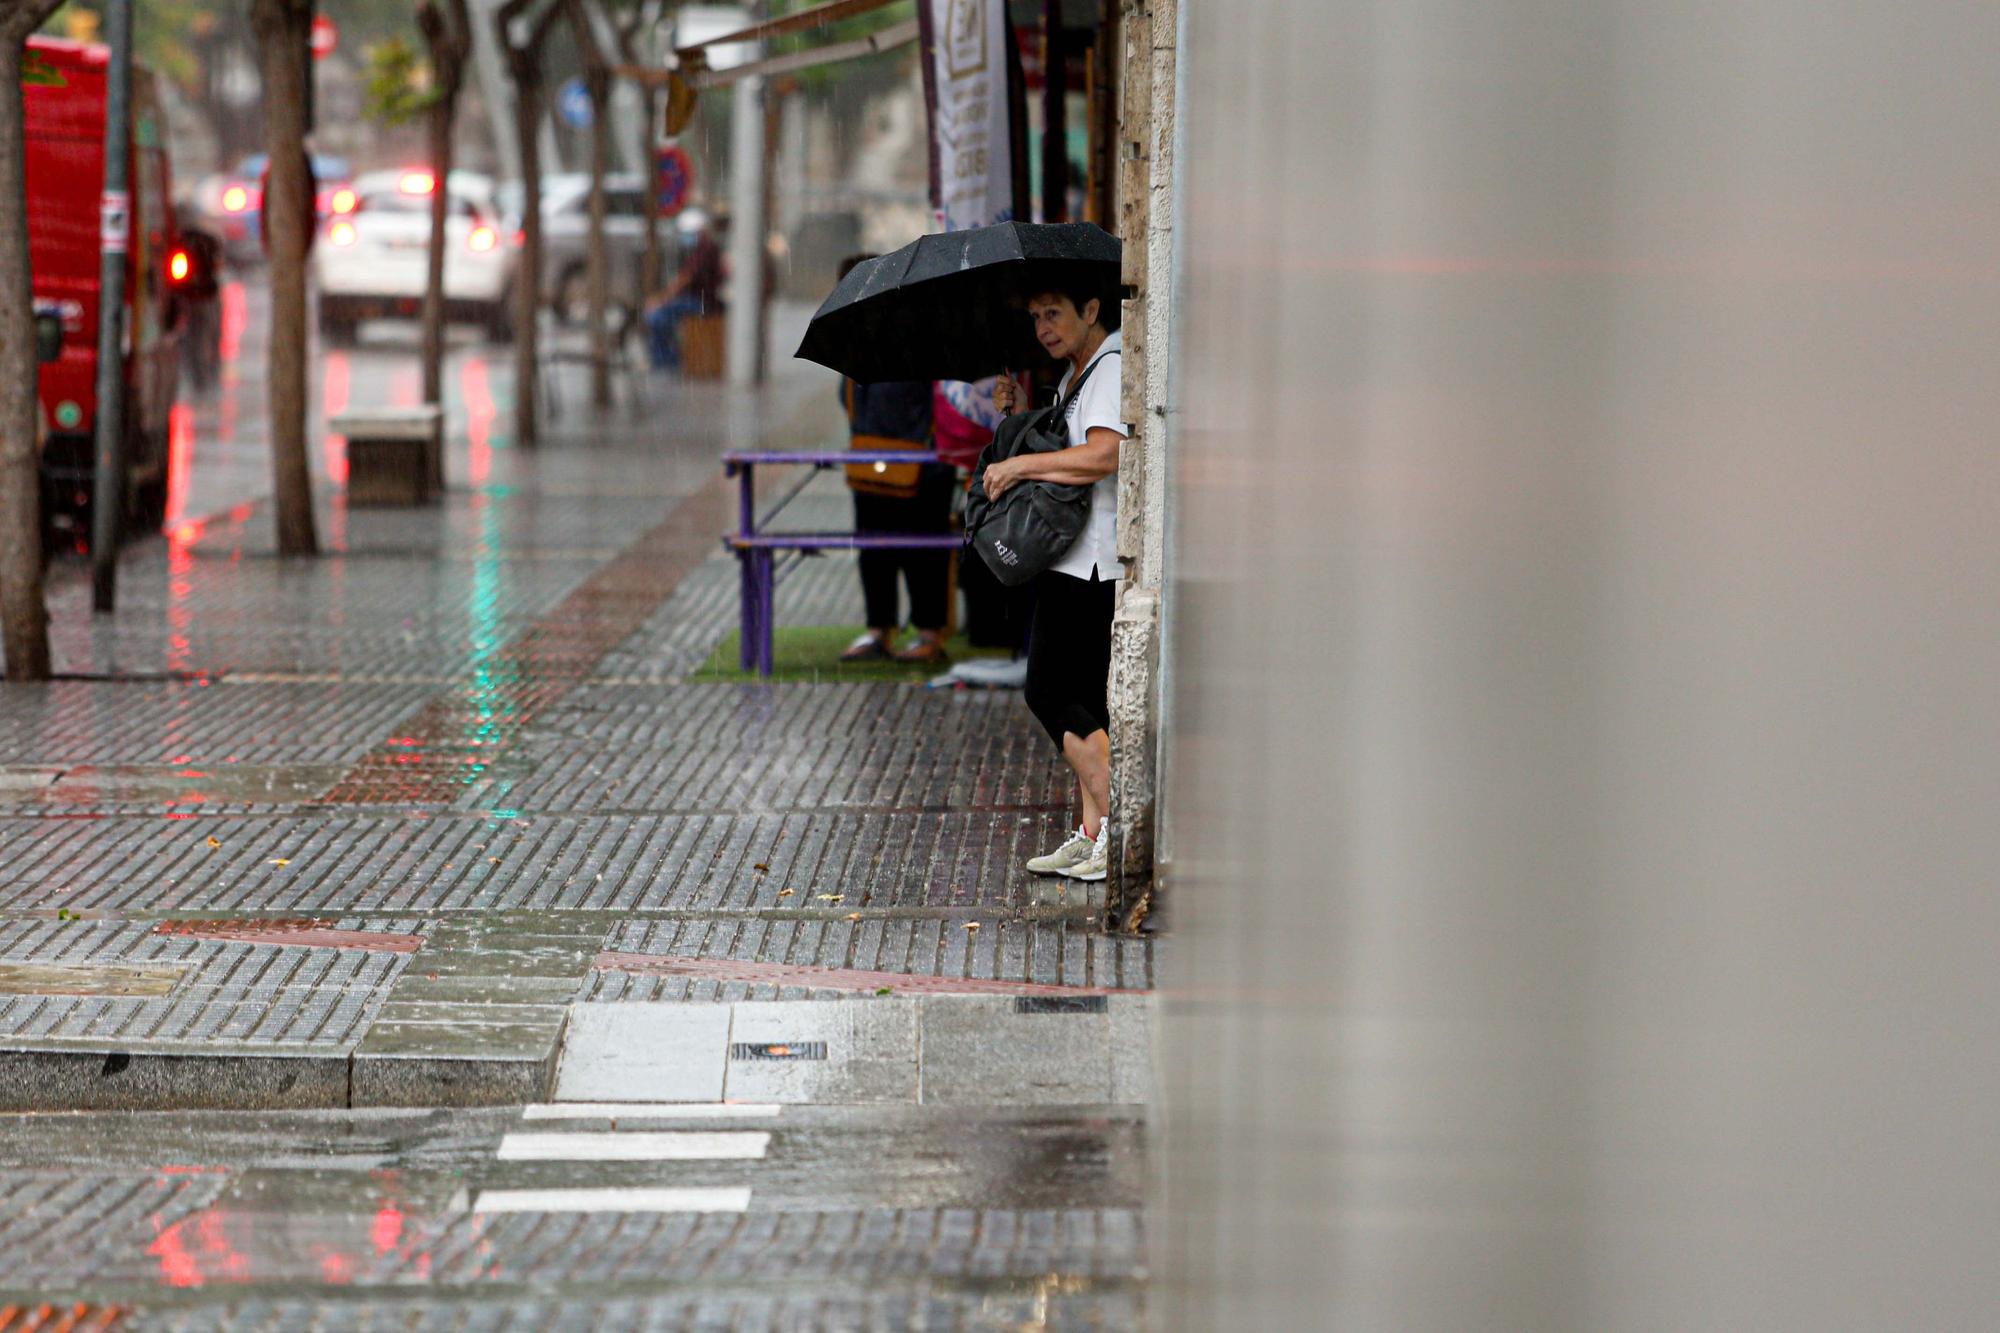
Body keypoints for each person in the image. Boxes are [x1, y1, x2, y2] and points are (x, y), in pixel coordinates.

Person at [981, 283, 1125, 882]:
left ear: (1091, 310)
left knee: (1047, 690)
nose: (1043, 327)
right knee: (1087, 705)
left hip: (1094, 559)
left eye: (1055, 313)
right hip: (1069, 556)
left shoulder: (1111, 366)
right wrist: (1017, 421)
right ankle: (1093, 834)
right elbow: (1066, 454)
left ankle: (1119, 827)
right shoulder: (1077, 375)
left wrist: (1018, 464)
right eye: (1036, 316)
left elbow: (1103, 455)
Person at [837, 254, 953, 664]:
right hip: (872, 462)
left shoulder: (913, 335)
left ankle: (928, 632)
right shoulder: (858, 342)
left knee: (922, 550)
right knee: (875, 548)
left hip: (922, 465)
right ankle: (879, 629)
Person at [644, 213, 725, 371]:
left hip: (701, 302)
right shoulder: (699, 249)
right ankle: (667, 358)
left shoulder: (706, 249)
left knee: (656, 317)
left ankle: (665, 361)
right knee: (658, 316)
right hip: (698, 300)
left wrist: (662, 299)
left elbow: (685, 278)